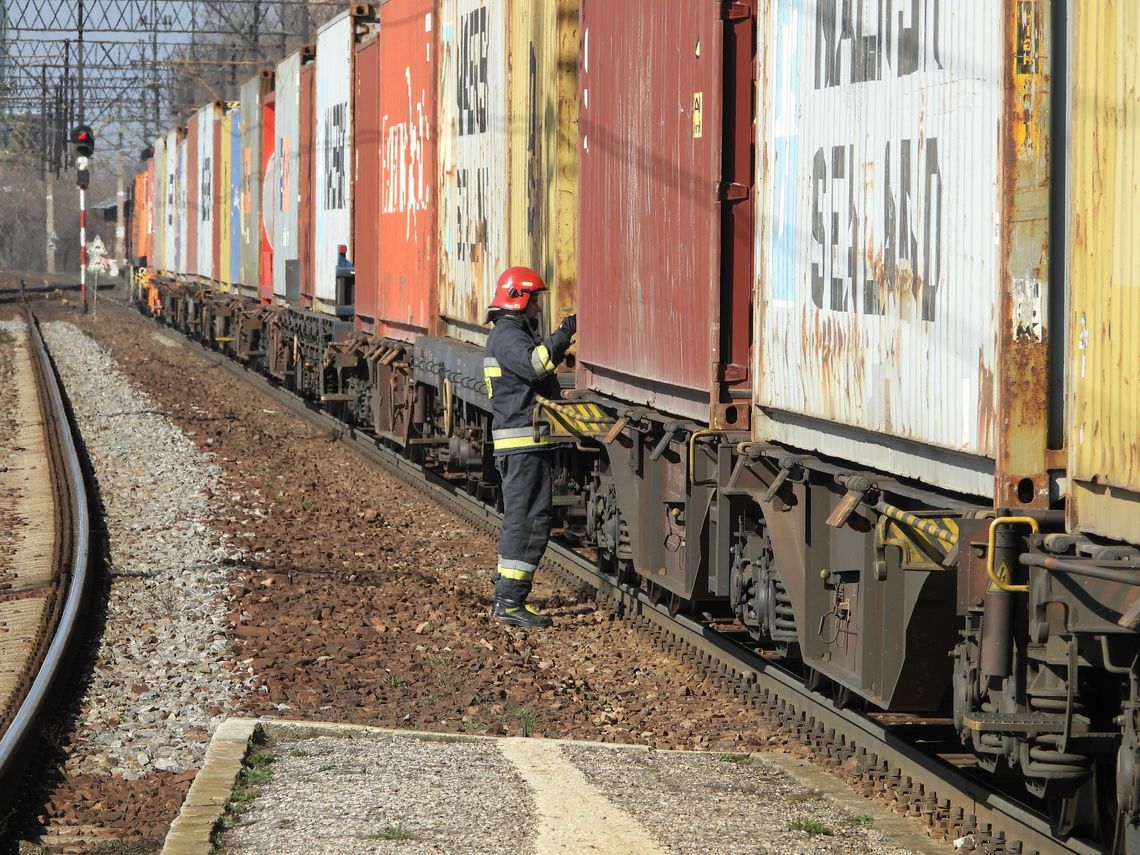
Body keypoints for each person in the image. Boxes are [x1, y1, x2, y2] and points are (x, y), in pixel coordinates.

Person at [482, 265, 577, 628]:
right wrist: (564, 333)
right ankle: (509, 603)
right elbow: (535, 365)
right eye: (534, 300)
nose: (538, 308)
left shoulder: (507, 333)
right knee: (528, 521)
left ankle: (507, 593)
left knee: (525, 519)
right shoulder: (508, 336)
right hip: (522, 445)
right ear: (518, 298)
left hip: (522, 445)